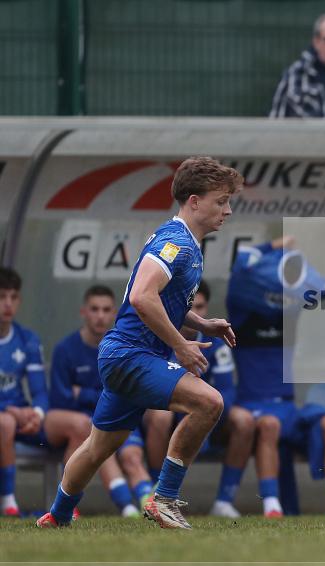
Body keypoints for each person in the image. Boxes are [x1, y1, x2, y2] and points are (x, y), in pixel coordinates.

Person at [37, 156, 242, 529]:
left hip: (126, 356)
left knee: (99, 446)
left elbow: (160, 300)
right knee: (209, 402)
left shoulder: (187, 243)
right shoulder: (175, 241)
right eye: (221, 201)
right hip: (131, 355)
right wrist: (181, 344)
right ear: (194, 201)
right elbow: (141, 298)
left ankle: (58, 515)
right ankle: (163, 499)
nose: (227, 210)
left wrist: (201, 323)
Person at [227, 236, 325, 517]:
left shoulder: (290, 310)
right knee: (269, 425)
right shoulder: (241, 311)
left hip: (287, 406)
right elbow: (240, 265)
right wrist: (272, 246)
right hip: (254, 405)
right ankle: (272, 507)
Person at [142, 280, 254, 518]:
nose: (196, 313)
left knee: (244, 420)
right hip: (170, 411)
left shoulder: (215, 342)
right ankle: (155, 492)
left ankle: (224, 501)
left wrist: (206, 422)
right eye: (190, 307)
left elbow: (227, 390)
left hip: (210, 413)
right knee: (159, 417)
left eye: (200, 307)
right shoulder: (159, 336)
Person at [48, 285, 154, 517]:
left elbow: (131, 392)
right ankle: (126, 508)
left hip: (119, 414)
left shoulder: (124, 348)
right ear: (83, 312)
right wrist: (101, 395)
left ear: (114, 313)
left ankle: (151, 505)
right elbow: (60, 398)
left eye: (106, 310)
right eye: (94, 309)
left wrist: (84, 394)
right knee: (91, 436)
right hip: (84, 423)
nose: (100, 316)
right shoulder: (65, 350)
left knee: (132, 456)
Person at [0, 268, 48, 517]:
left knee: (77, 424)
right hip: (8, 418)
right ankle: (8, 502)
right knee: (5, 423)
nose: (8, 304)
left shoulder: (27, 339)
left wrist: (37, 414)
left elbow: (39, 390)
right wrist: (11, 412)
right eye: (2, 296)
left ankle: (65, 504)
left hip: (21, 418)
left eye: (13, 297)